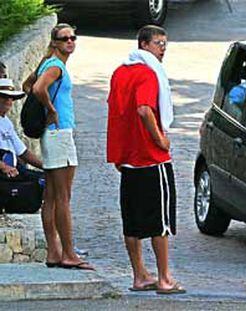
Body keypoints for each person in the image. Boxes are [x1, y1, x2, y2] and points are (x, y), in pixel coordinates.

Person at [107, 25, 185, 294]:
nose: (163, 49)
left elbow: (116, 111)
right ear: (143, 44)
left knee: (132, 220)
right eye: (158, 43)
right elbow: (143, 109)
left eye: (165, 44)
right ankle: (164, 278)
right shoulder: (149, 74)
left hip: (129, 159)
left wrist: (118, 151)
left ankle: (139, 274)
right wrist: (160, 140)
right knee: (160, 222)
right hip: (152, 158)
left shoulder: (120, 72)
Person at [24, 23, 94, 270]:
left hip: (52, 135)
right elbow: (37, 88)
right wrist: (51, 111)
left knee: (51, 197)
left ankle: (54, 252)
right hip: (59, 133)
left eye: (73, 37)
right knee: (63, 197)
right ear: (55, 42)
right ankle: (68, 253)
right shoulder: (55, 66)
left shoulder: (48, 63)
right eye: (65, 39)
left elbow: (28, 85)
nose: (70, 42)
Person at [0, 78, 42, 177]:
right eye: (3, 96)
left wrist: (46, 167)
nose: (8, 100)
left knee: (48, 180)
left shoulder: (6, 121)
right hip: (4, 171)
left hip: (13, 169)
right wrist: (3, 167)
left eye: (11, 97)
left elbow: (23, 152)